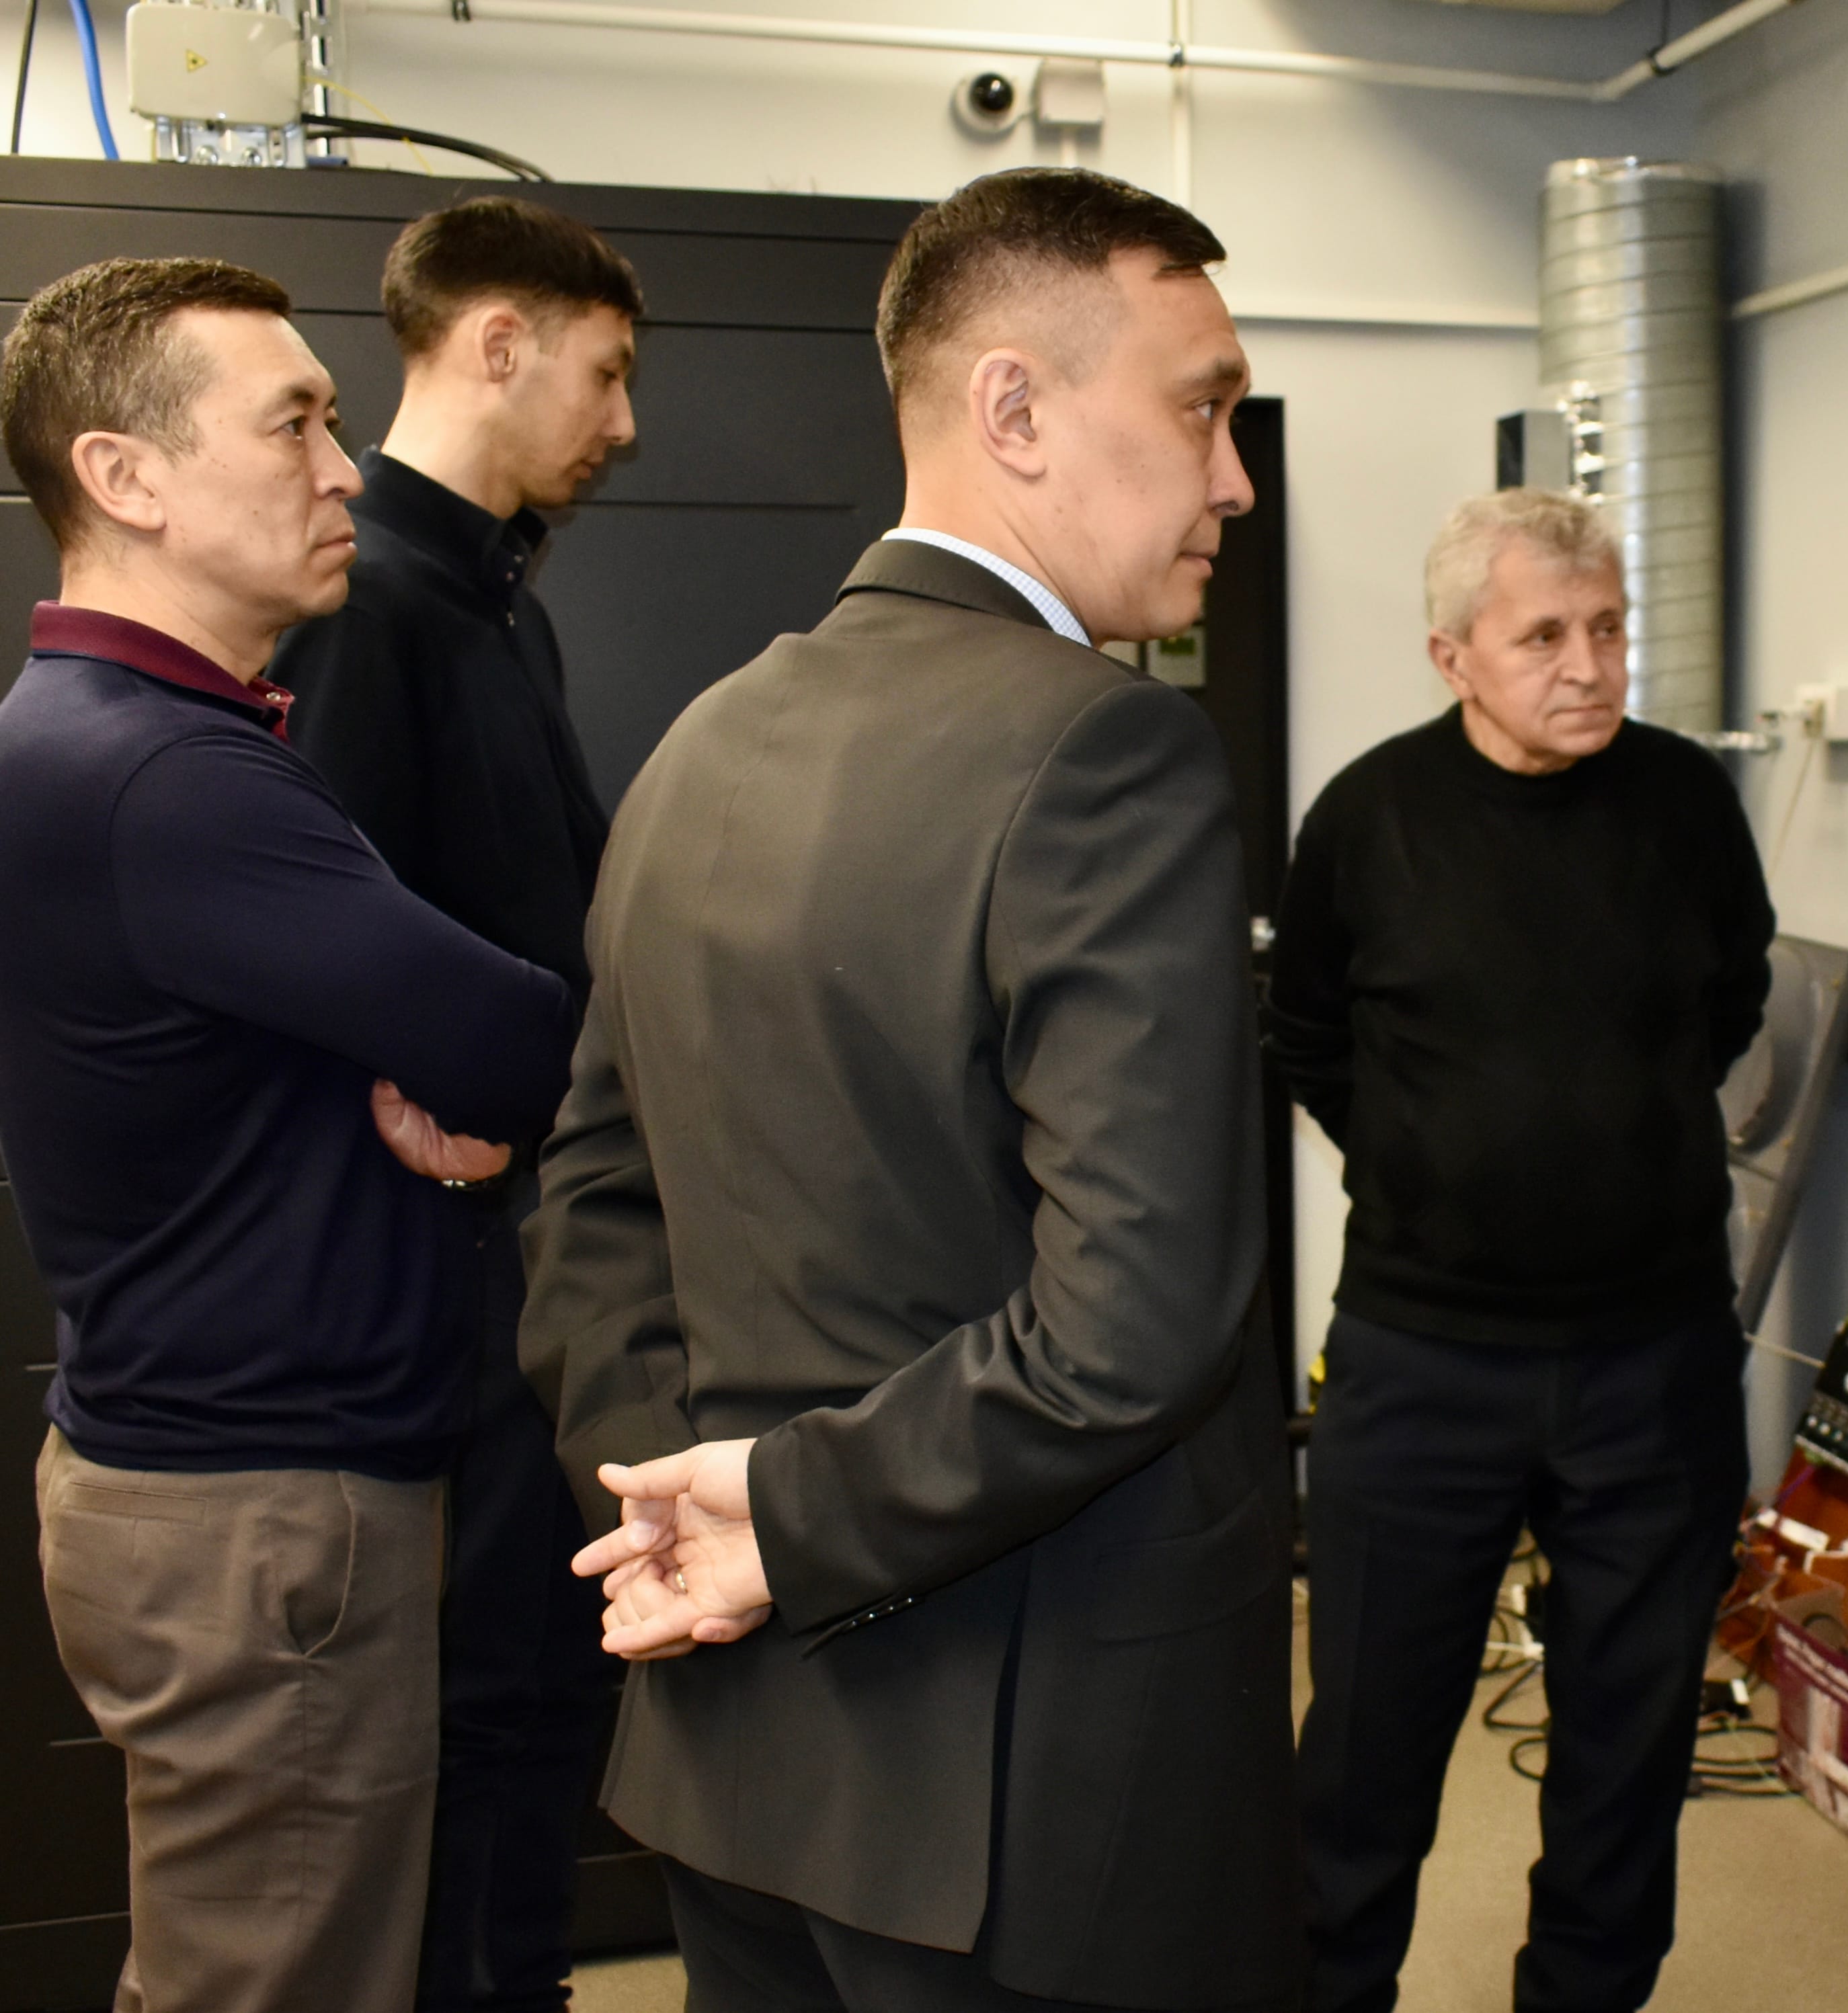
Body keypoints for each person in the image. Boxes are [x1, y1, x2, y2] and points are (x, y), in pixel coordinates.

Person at [515, 168, 1294, 2013]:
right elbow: (1131, 1320)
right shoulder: (1111, 750)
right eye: (1200, 409)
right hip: (1027, 1790)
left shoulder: (701, 742)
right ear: (1012, 409)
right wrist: (771, 1520)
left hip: (738, 1745)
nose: (1234, 481)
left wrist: (677, 1507)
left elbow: (590, 1203)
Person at [0, 257, 575, 2012]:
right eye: (296, 425)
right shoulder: (172, 778)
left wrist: (406, 1072)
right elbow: (521, 1035)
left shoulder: (104, 738)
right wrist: (442, 1070)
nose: (344, 469)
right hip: (258, 1512)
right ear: (124, 475)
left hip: (197, 1479)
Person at [1268, 487, 1775, 2013]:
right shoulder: (1366, 818)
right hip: (1422, 1363)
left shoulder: (1686, 802)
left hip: (1655, 1359)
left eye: (1609, 628)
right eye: (1544, 635)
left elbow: (1733, 998)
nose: (1591, 665)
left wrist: (1605, 1136)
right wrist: (1433, 1170)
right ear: (1453, 656)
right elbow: (1309, 1038)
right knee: (1364, 1754)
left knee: (1629, 1756)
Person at [269, 194, 641, 2013]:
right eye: (606, 373)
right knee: (482, 1726)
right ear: (500, 344)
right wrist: (404, 1078)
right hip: (437, 1290)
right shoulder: (372, 605)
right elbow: (321, 940)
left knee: (539, 1704)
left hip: (531, 1276)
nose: (625, 422)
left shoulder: (500, 606)